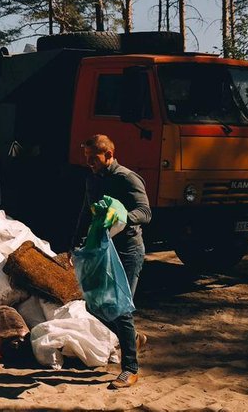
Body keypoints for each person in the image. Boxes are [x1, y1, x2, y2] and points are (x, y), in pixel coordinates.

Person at [72, 134, 150, 390]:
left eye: (94, 159)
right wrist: (75, 244)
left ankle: (130, 369)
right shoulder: (92, 179)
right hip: (102, 252)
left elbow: (146, 212)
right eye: (87, 159)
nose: (90, 163)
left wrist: (123, 215)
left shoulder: (127, 178)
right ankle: (133, 338)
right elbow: (86, 212)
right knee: (94, 306)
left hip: (127, 251)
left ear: (109, 154)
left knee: (121, 308)